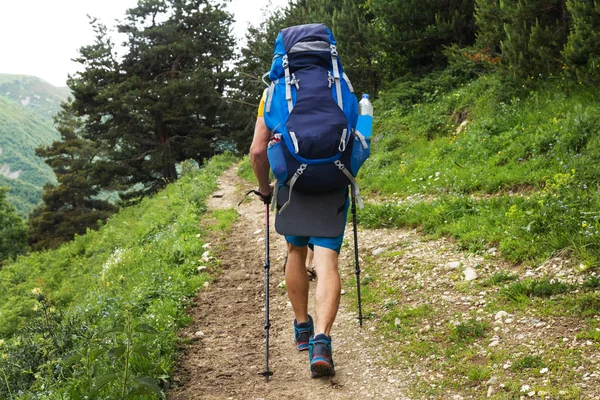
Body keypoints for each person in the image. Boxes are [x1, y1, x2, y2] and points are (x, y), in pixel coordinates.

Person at [250, 89, 348, 378]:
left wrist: (265, 188)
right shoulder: (338, 84)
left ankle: (302, 328)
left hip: (292, 183)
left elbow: (258, 151)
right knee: (326, 261)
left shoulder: (273, 92)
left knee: (296, 251)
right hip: (333, 180)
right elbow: (360, 136)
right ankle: (321, 343)